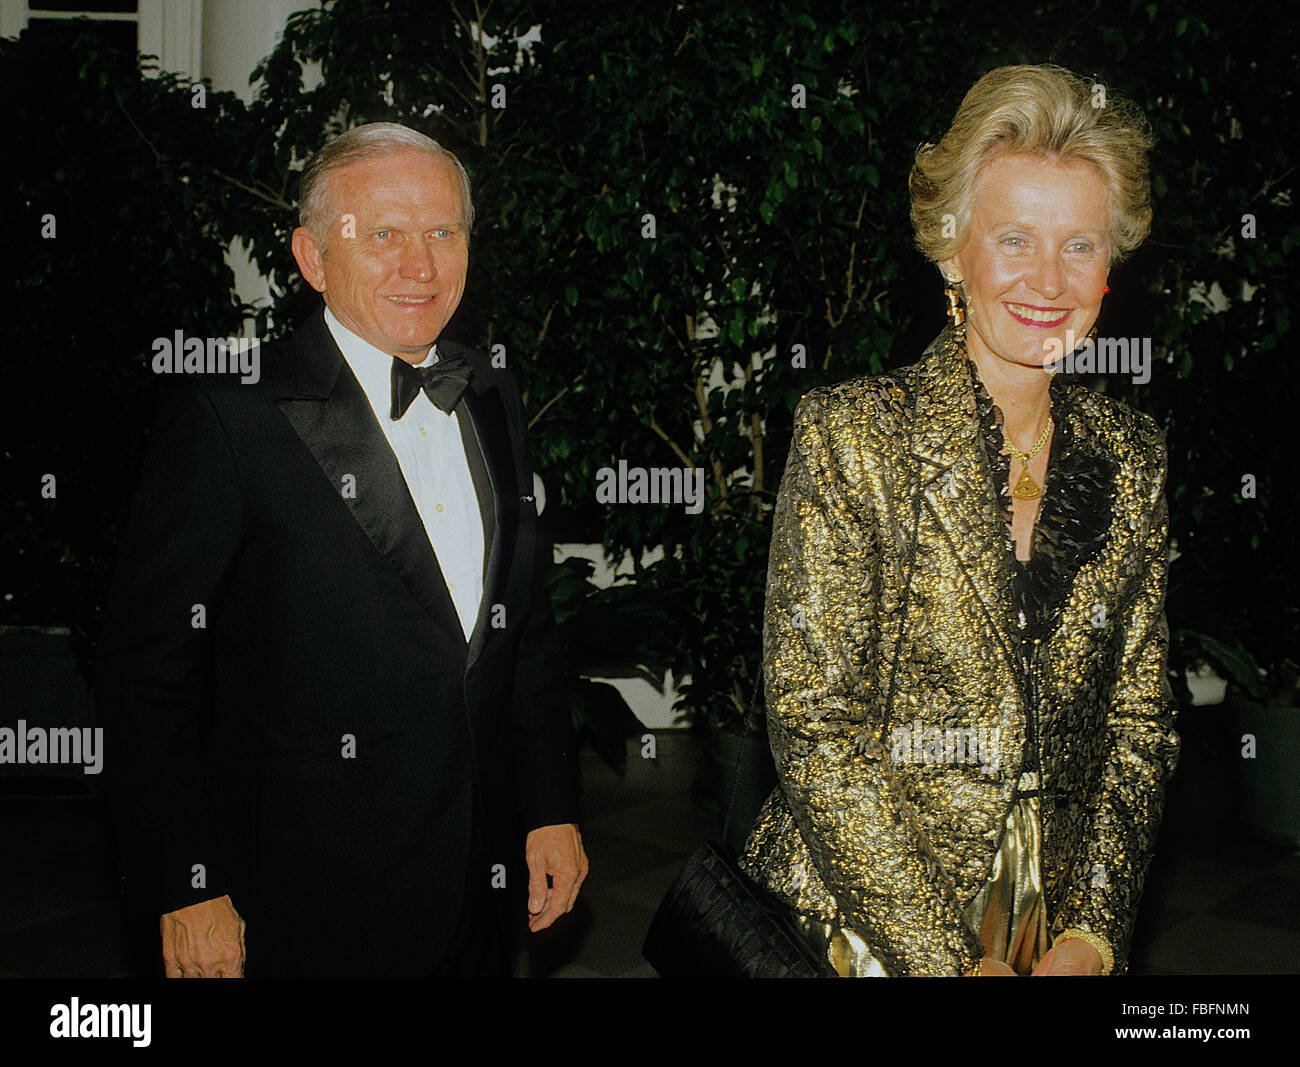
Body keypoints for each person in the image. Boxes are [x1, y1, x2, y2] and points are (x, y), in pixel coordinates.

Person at [97, 122, 587, 977]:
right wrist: (185, 880)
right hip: (297, 902)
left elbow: (523, 627)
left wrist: (549, 806)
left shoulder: (491, 392)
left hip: (478, 883)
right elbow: (147, 669)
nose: (420, 266)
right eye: (384, 235)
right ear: (313, 257)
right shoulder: (231, 417)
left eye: (443, 232)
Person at [740, 65, 1178, 977]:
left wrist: (1093, 933)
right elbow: (816, 725)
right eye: (1014, 239)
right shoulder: (855, 437)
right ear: (952, 248)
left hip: (1049, 930)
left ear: (1112, 267)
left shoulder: (1130, 457)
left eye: (1081, 246)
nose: (1048, 281)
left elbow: (1139, 719)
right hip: (863, 923)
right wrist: (948, 961)